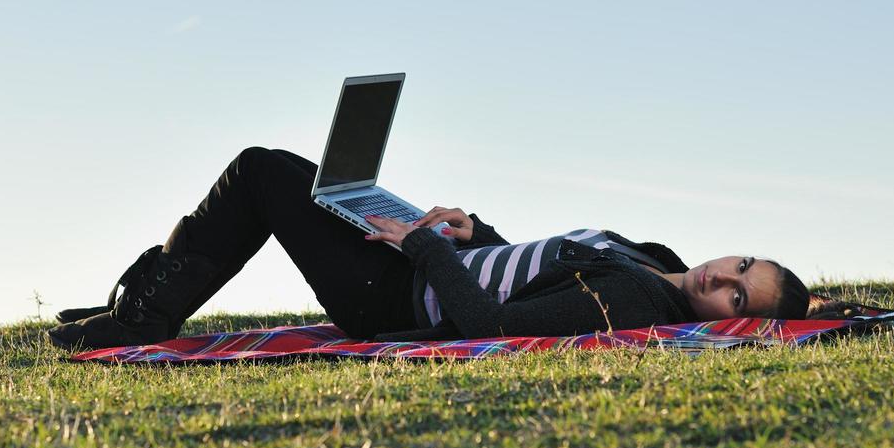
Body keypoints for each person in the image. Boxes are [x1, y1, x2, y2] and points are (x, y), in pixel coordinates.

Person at [47, 147, 811, 349]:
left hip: (392, 296)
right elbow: (531, 275)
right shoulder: (653, 254)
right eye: (741, 267)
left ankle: (145, 313)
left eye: (737, 299)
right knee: (289, 176)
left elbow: (490, 325)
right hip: (419, 256)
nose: (723, 280)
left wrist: (419, 245)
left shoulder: (640, 300)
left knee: (262, 175)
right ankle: (146, 301)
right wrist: (478, 235)